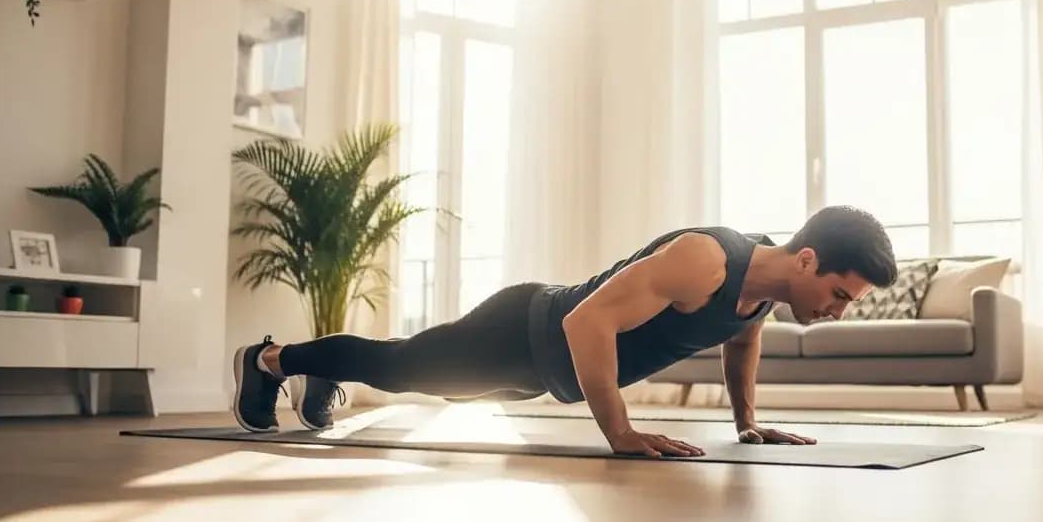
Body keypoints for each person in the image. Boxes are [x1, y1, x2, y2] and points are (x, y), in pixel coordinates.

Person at [231, 205, 898, 457]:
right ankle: (269, 359)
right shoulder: (707, 258)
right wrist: (623, 432)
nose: (838, 310)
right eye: (839, 294)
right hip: (522, 330)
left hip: (542, 371)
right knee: (402, 367)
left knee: (425, 382)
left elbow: (741, 340)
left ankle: (323, 368)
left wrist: (747, 421)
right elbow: (589, 321)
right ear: (807, 259)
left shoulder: (759, 295)